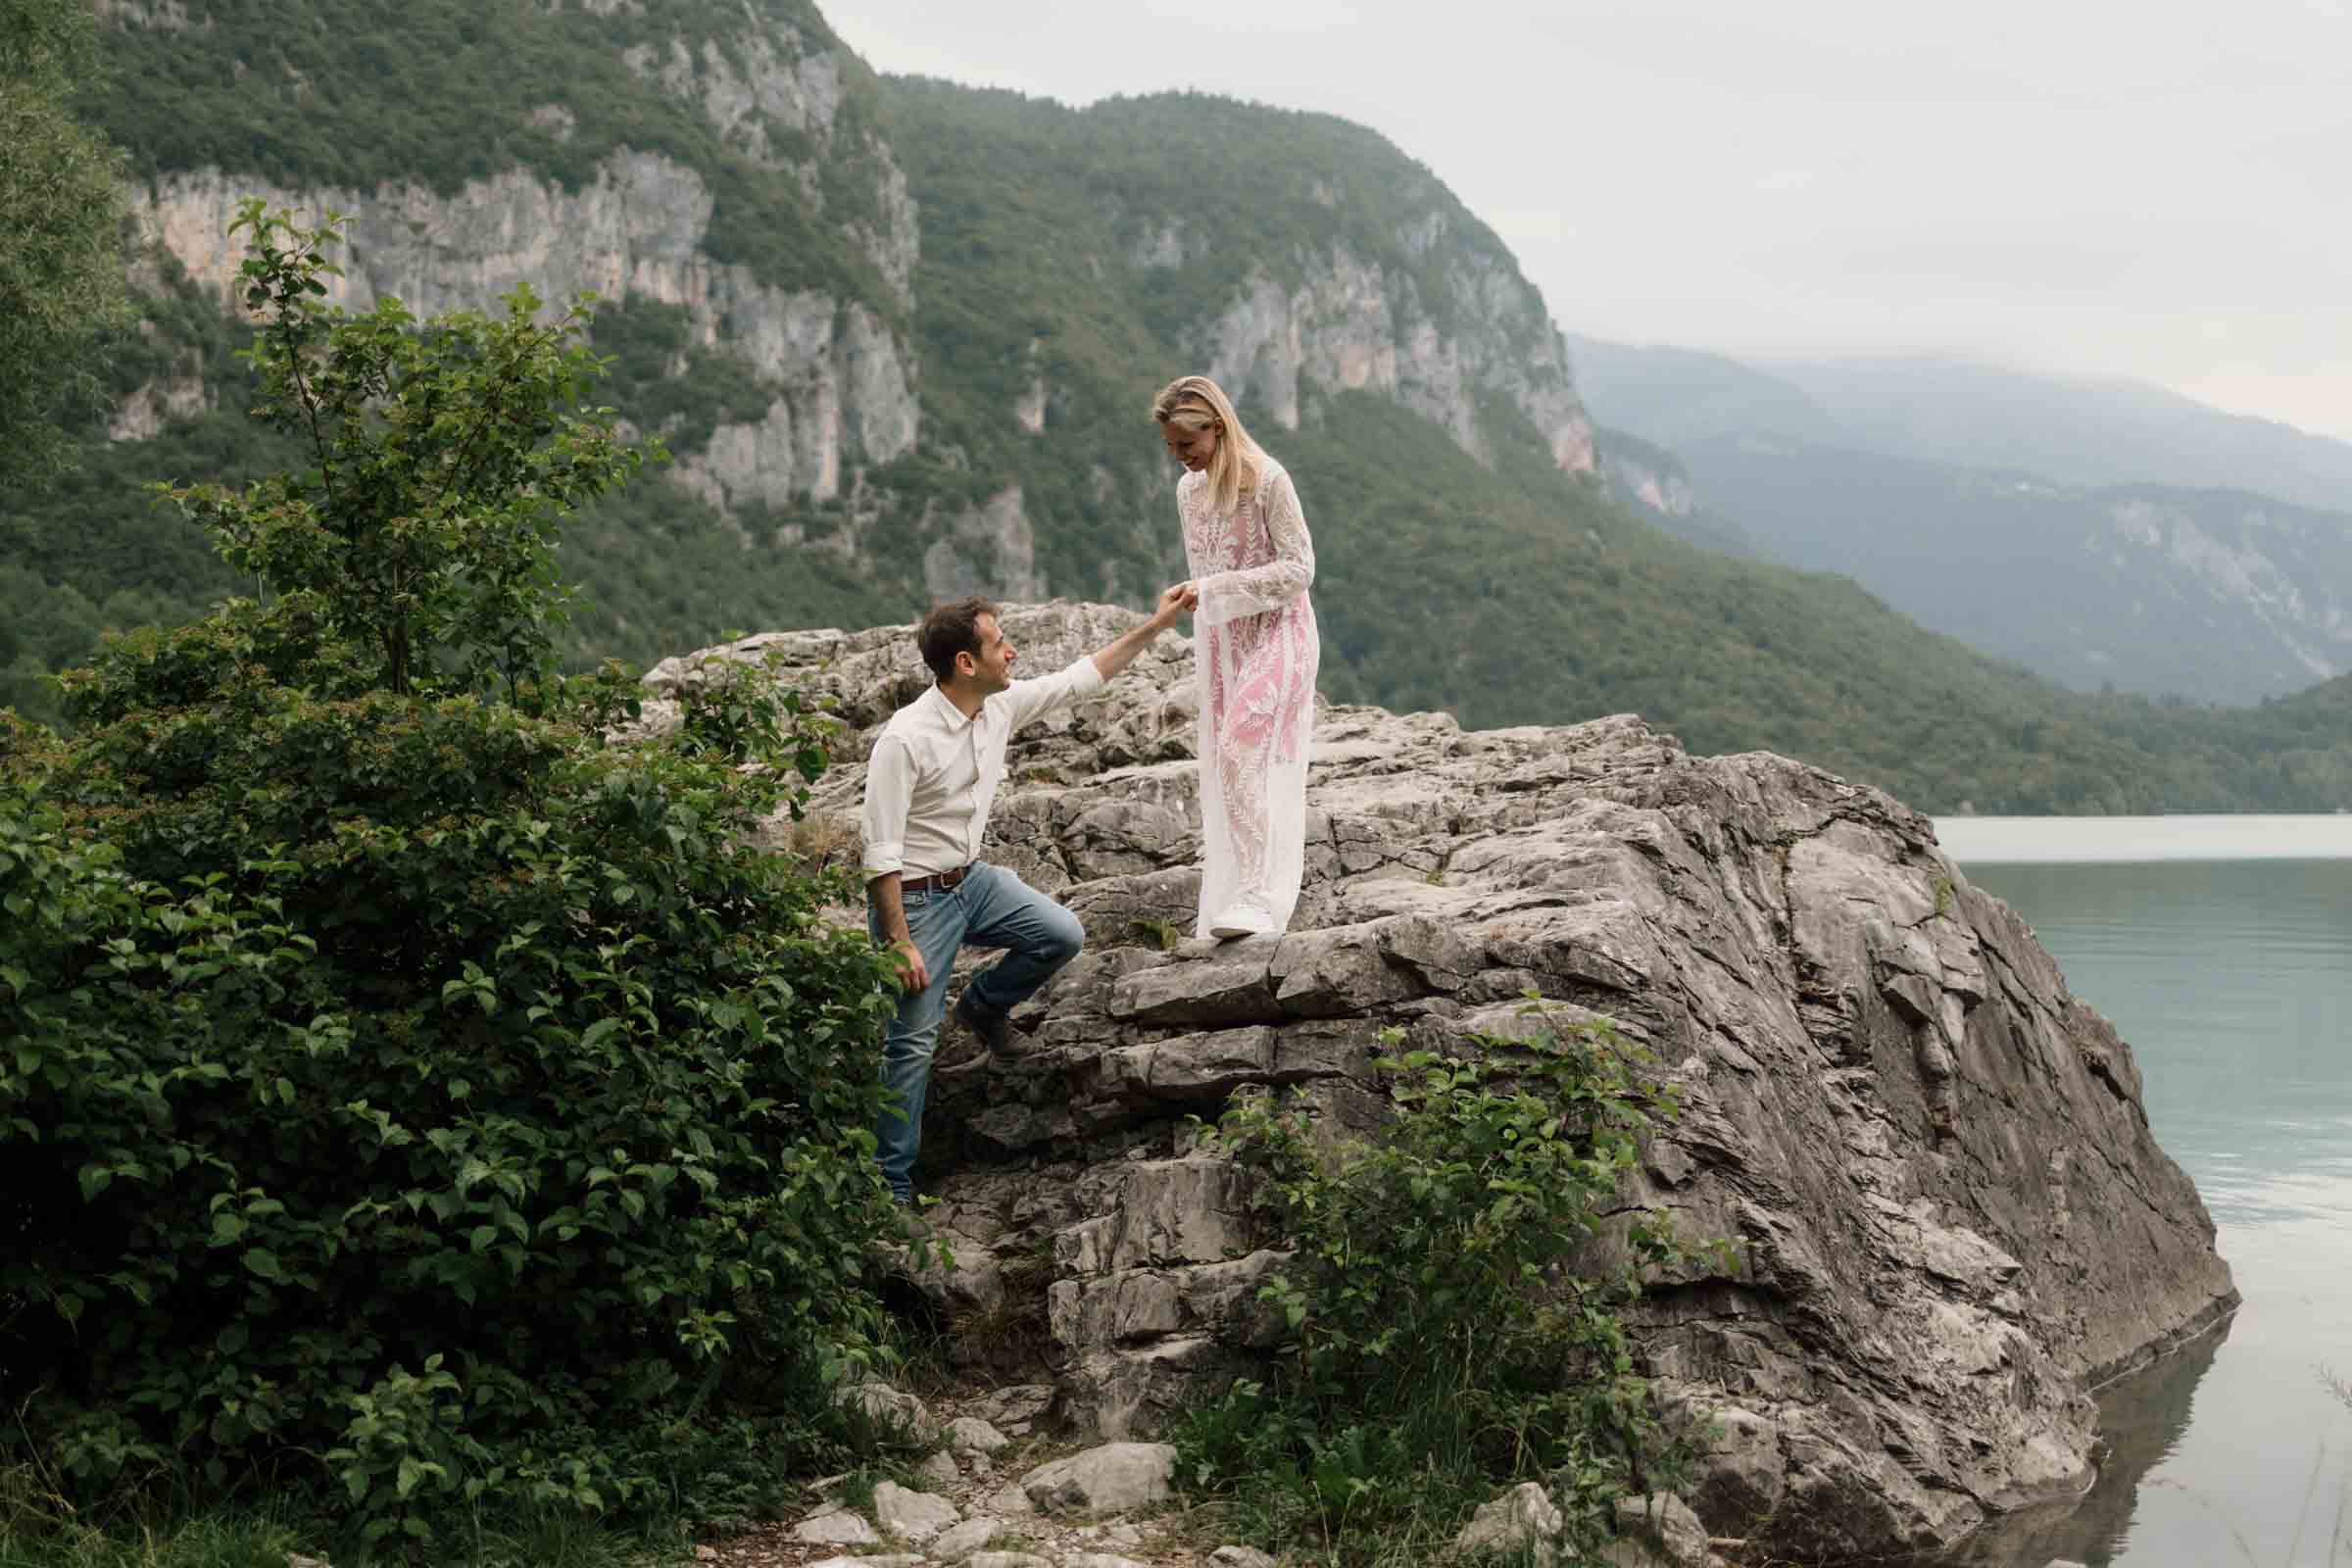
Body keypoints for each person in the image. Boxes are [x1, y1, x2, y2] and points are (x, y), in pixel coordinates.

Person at [860, 589, 1197, 1204]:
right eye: (998, 643)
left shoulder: (998, 707)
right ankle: (891, 1187)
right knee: (910, 1046)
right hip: (913, 900)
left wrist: (1156, 624)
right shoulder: (905, 739)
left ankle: (983, 1008)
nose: (1011, 651)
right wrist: (899, 945)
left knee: (1062, 934)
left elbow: (1081, 679)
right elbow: (879, 853)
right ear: (966, 663)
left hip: (972, 881)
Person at [1152, 374, 1321, 941]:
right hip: (1227, 642)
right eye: (1172, 447)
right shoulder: (1187, 493)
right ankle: (1238, 889)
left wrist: (1215, 587)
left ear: (1217, 429)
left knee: (1241, 744)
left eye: (1187, 446)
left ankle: (1258, 895)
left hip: (1282, 631)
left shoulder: (1270, 480)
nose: (1180, 459)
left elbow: (1301, 570)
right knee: (1227, 762)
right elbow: (1205, 575)